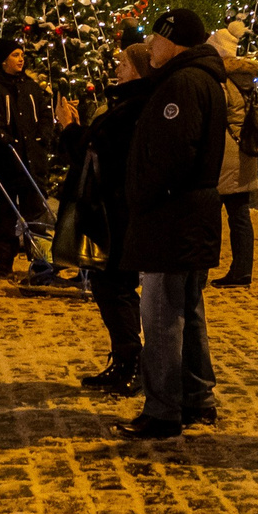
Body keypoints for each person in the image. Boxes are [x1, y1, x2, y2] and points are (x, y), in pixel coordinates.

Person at [116, 9, 228, 441]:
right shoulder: (199, 79)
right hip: (190, 214)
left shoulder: (182, 83)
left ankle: (163, 410)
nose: (149, 48)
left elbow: (172, 154)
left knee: (162, 315)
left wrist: (142, 196)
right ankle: (198, 399)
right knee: (187, 309)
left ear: (175, 42)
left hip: (172, 215)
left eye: (156, 40)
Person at [60, 44, 153, 393]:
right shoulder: (129, 104)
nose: (117, 68)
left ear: (139, 69)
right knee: (113, 285)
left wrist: (71, 128)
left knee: (113, 285)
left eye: (124, 63)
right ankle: (126, 358)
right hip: (116, 210)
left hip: (117, 213)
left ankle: (130, 362)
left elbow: (97, 153)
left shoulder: (132, 108)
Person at [0, 39, 58, 281]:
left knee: (35, 214)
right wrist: (0, 134)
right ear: (4, 60)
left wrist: (43, 137)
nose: (21, 59)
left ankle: (39, 260)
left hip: (32, 160)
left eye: (21, 54)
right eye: (15, 55)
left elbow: (46, 114)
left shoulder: (32, 87)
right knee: (5, 214)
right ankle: (4, 261)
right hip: (7, 161)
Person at [208, 22, 258, 286]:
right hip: (245, 151)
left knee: (208, 215)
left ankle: (202, 269)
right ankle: (242, 269)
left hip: (225, 153)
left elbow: (215, 116)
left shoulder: (221, 80)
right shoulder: (245, 78)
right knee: (240, 216)